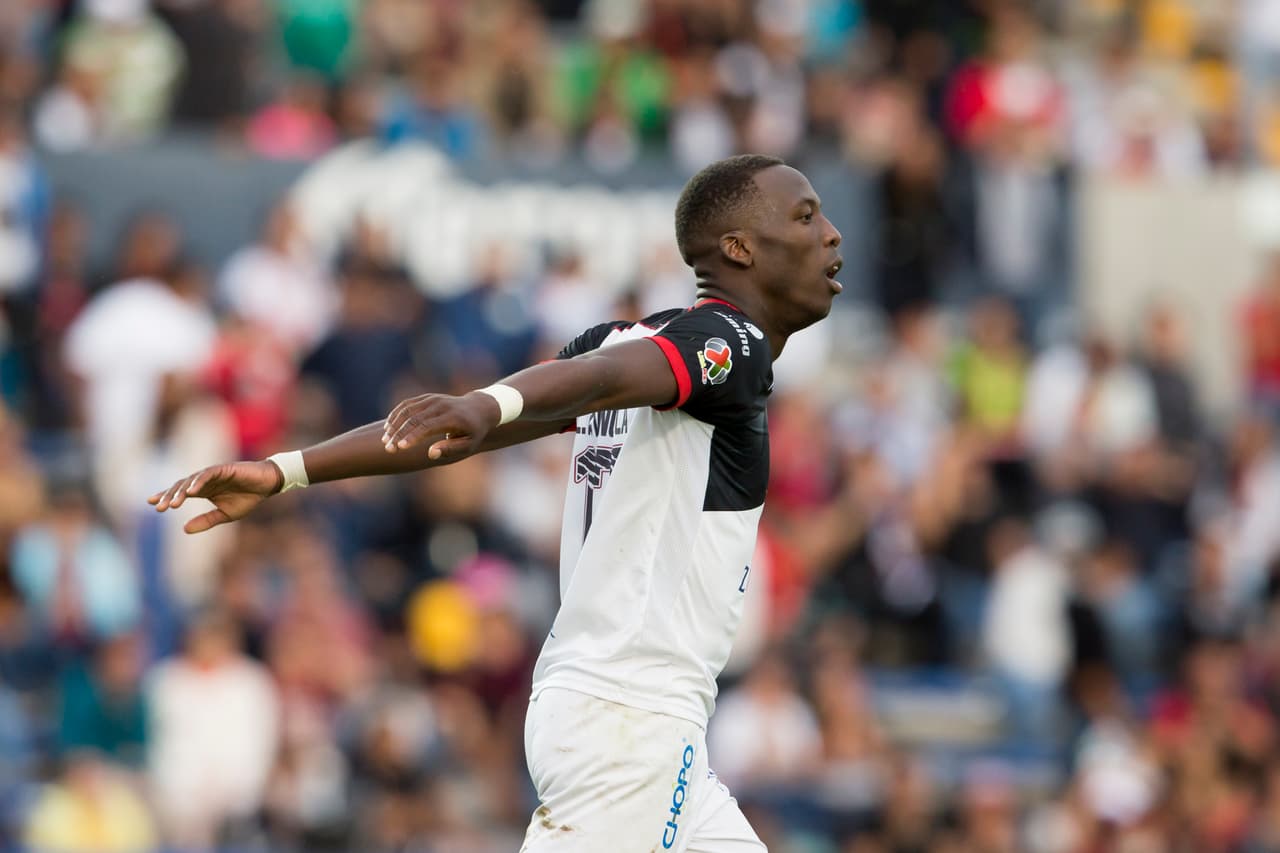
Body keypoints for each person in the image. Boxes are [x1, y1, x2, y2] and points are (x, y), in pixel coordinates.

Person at [149, 154, 844, 852]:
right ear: (739, 248)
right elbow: (590, 382)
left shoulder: (624, 339)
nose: (831, 235)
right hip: (629, 724)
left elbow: (450, 429)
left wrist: (284, 470)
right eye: (806, 216)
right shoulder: (730, 344)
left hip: (645, 725)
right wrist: (488, 403)